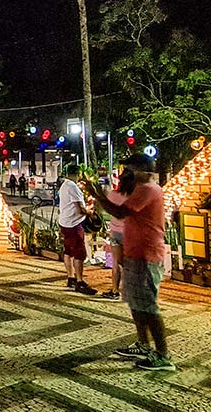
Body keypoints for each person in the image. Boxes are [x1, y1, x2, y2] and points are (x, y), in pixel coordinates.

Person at [85, 154, 174, 371]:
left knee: (148, 306)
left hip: (146, 254)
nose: (129, 173)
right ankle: (143, 343)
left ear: (143, 169)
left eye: (132, 169)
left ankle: (163, 355)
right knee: (136, 303)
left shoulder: (148, 189)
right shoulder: (143, 188)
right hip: (136, 253)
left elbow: (120, 212)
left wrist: (98, 196)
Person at [58, 164, 98, 295]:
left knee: (68, 251)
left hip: (64, 222)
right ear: (78, 173)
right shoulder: (73, 187)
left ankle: (71, 277)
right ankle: (80, 281)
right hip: (74, 223)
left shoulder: (64, 186)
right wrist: (90, 212)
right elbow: (80, 207)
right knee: (79, 253)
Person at [99, 169, 135, 300]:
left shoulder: (113, 195)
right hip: (131, 233)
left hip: (115, 232)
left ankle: (114, 290)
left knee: (116, 263)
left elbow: (107, 208)